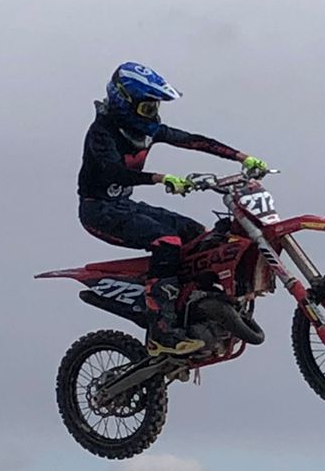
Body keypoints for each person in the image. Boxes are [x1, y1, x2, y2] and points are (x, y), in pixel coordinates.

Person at [77, 62, 268, 355]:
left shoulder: (148, 131)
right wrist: (160, 178)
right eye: (146, 108)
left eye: (154, 107)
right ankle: (162, 331)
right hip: (98, 211)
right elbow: (114, 172)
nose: (152, 114)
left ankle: (192, 305)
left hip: (123, 205)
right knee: (166, 242)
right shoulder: (102, 133)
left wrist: (242, 157)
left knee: (197, 234)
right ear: (124, 102)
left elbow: (192, 141)